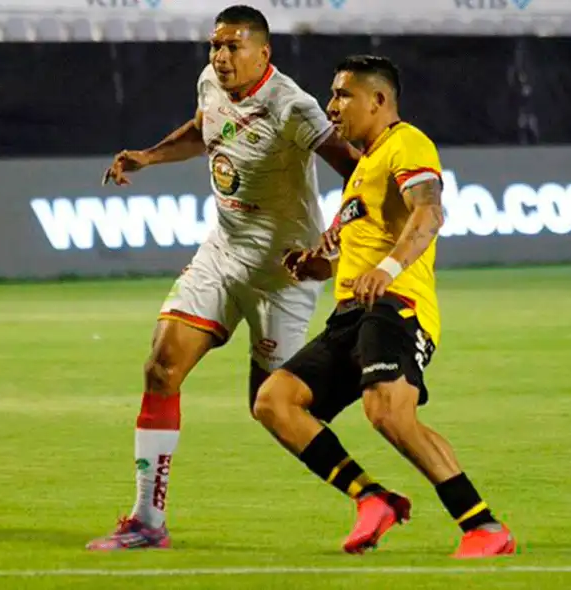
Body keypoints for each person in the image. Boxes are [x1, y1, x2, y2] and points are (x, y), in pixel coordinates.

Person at [86, 5, 359, 551]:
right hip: (222, 252)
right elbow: (204, 127)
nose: (221, 56)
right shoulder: (211, 81)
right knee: (161, 368)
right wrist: (149, 156)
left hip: (283, 272)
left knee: (276, 407)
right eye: (215, 45)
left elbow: (356, 170)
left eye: (233, 46)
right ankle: (147, 522)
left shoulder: (293, 107)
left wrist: (334, 238)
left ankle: (368, 491)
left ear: (264, 53)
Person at [253, 55, 516, 559]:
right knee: (275, 401)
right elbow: (364, 249)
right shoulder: (362, 170)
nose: (331, 106)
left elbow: (430, 211)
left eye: (342, 95)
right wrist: (318, 267)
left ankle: (483, 526)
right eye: (331, 95)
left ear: (378, 100)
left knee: (388, 413)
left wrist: (389, 271)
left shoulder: (407, 144)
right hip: (350, 315)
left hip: (397, 307)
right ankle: (373, 499)